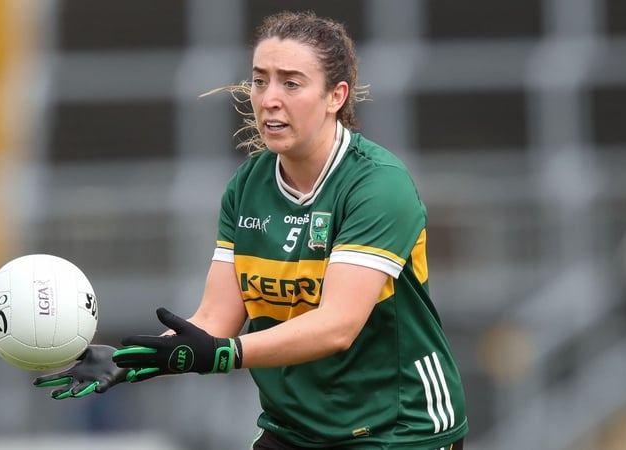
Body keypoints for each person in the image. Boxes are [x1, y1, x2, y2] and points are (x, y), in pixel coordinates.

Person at [34, 10, 468, 450]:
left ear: (336, 96)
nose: (269, 99)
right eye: (260, 80)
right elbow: (214, 320)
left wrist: (228, 354)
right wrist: (130, 361)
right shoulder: (248, 187)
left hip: (399, 430)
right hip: (295, 431)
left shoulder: (377, 185)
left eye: (291, 83)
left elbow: (338, 325)